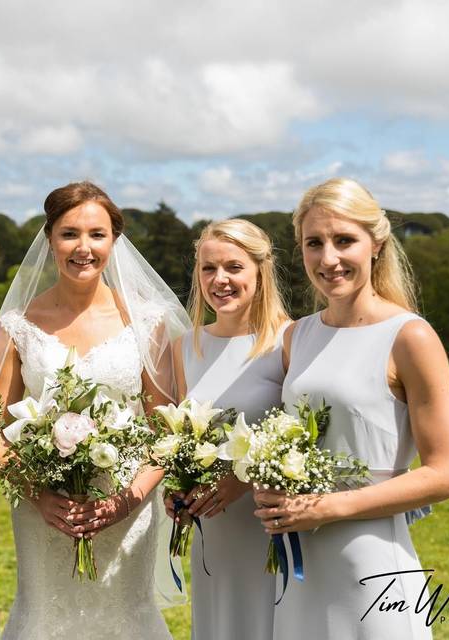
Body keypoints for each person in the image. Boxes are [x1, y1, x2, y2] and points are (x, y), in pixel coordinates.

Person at [254, 177, 449, 639]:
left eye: (344, 240)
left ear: (376, 244)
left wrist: (327, 507)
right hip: (299, 567)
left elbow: (446, 474)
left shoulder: (411, 337)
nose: (329, 258)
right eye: (314, 243)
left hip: (371, 566)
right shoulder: (296, 337)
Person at [0, 181, 190, 639]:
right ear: (49, 240)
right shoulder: (18, 325)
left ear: (114, 241)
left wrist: (130, 499)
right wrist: (40, 497)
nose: (84, 247)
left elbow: (166, 429)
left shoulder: (148, 321)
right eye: (69, 234)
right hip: (45, 512)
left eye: (97, 234)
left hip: (127, 505)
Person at [165, 219, 289, 640]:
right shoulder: (186, 346)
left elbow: (304, 437)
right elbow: (184, 435)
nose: (220, 280)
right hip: (211, 530)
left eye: (234, 267)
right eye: (208, 268)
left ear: (260, 271)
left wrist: (243, 480)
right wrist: (179, 488)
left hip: (269, 523)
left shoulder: (288, 341)